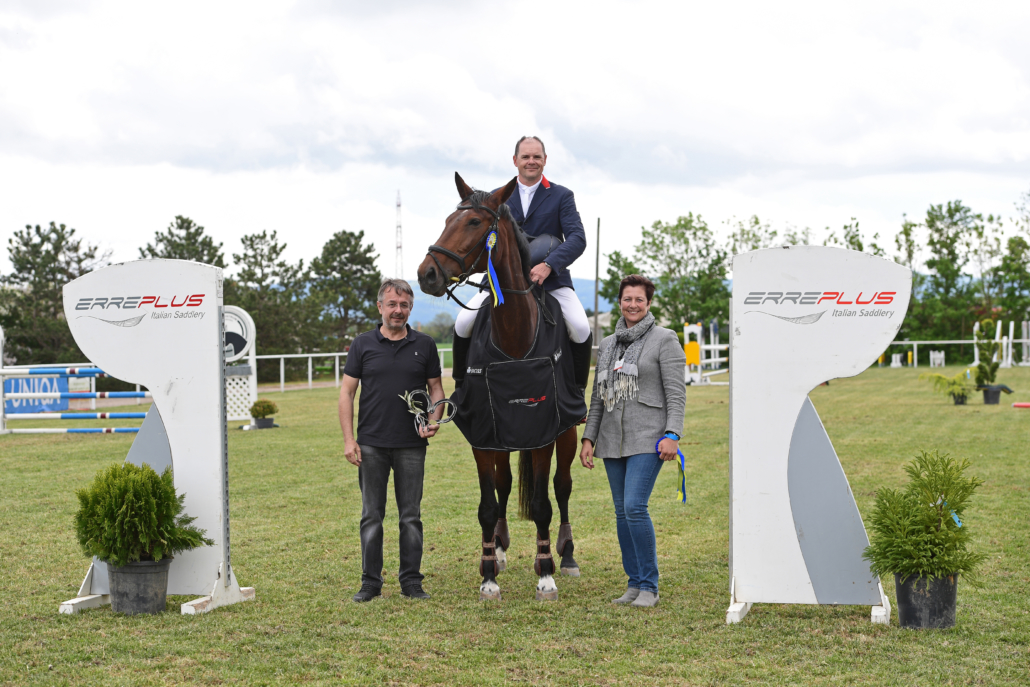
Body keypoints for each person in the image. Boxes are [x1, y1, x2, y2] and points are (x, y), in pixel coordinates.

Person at [451, 135, 593, 396]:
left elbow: (577, 238)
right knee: (463, 322)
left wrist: (549, 265)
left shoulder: (561, 195)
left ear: (545, 160)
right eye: (526, 156)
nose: (531, 161)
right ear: (515, 160)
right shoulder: (495, 198)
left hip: (550, 281)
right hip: (498, 283)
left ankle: (576, 393)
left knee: (581, 327)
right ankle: (462, 388)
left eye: (537, 157)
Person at [579, 274, 686, 608]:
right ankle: (633, 583)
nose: (633, 305)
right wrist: (588, 438)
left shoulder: (664, 339)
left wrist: (673, 433)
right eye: (627, 299)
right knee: (621, 514)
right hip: (611, 439)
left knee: (634, 507)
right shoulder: (608, 344)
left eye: (639, 299)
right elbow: (598, 397)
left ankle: (649, 587)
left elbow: (676, 392)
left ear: (649, 303)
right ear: (620, 302)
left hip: (648, 436)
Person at [339, 279, 446, 602]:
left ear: (410, 308)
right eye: (392, 304)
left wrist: (434, 420)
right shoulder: (362, 344)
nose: (398, 311)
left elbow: (436, 389)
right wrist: (349, 440)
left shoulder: (424, 345)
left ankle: (411, 581)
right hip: (371, 444)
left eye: (404, 305)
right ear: (380, 307)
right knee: (372, 515)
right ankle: (370, 582)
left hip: (412, 445)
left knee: (410, 516)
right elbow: (346, 393)